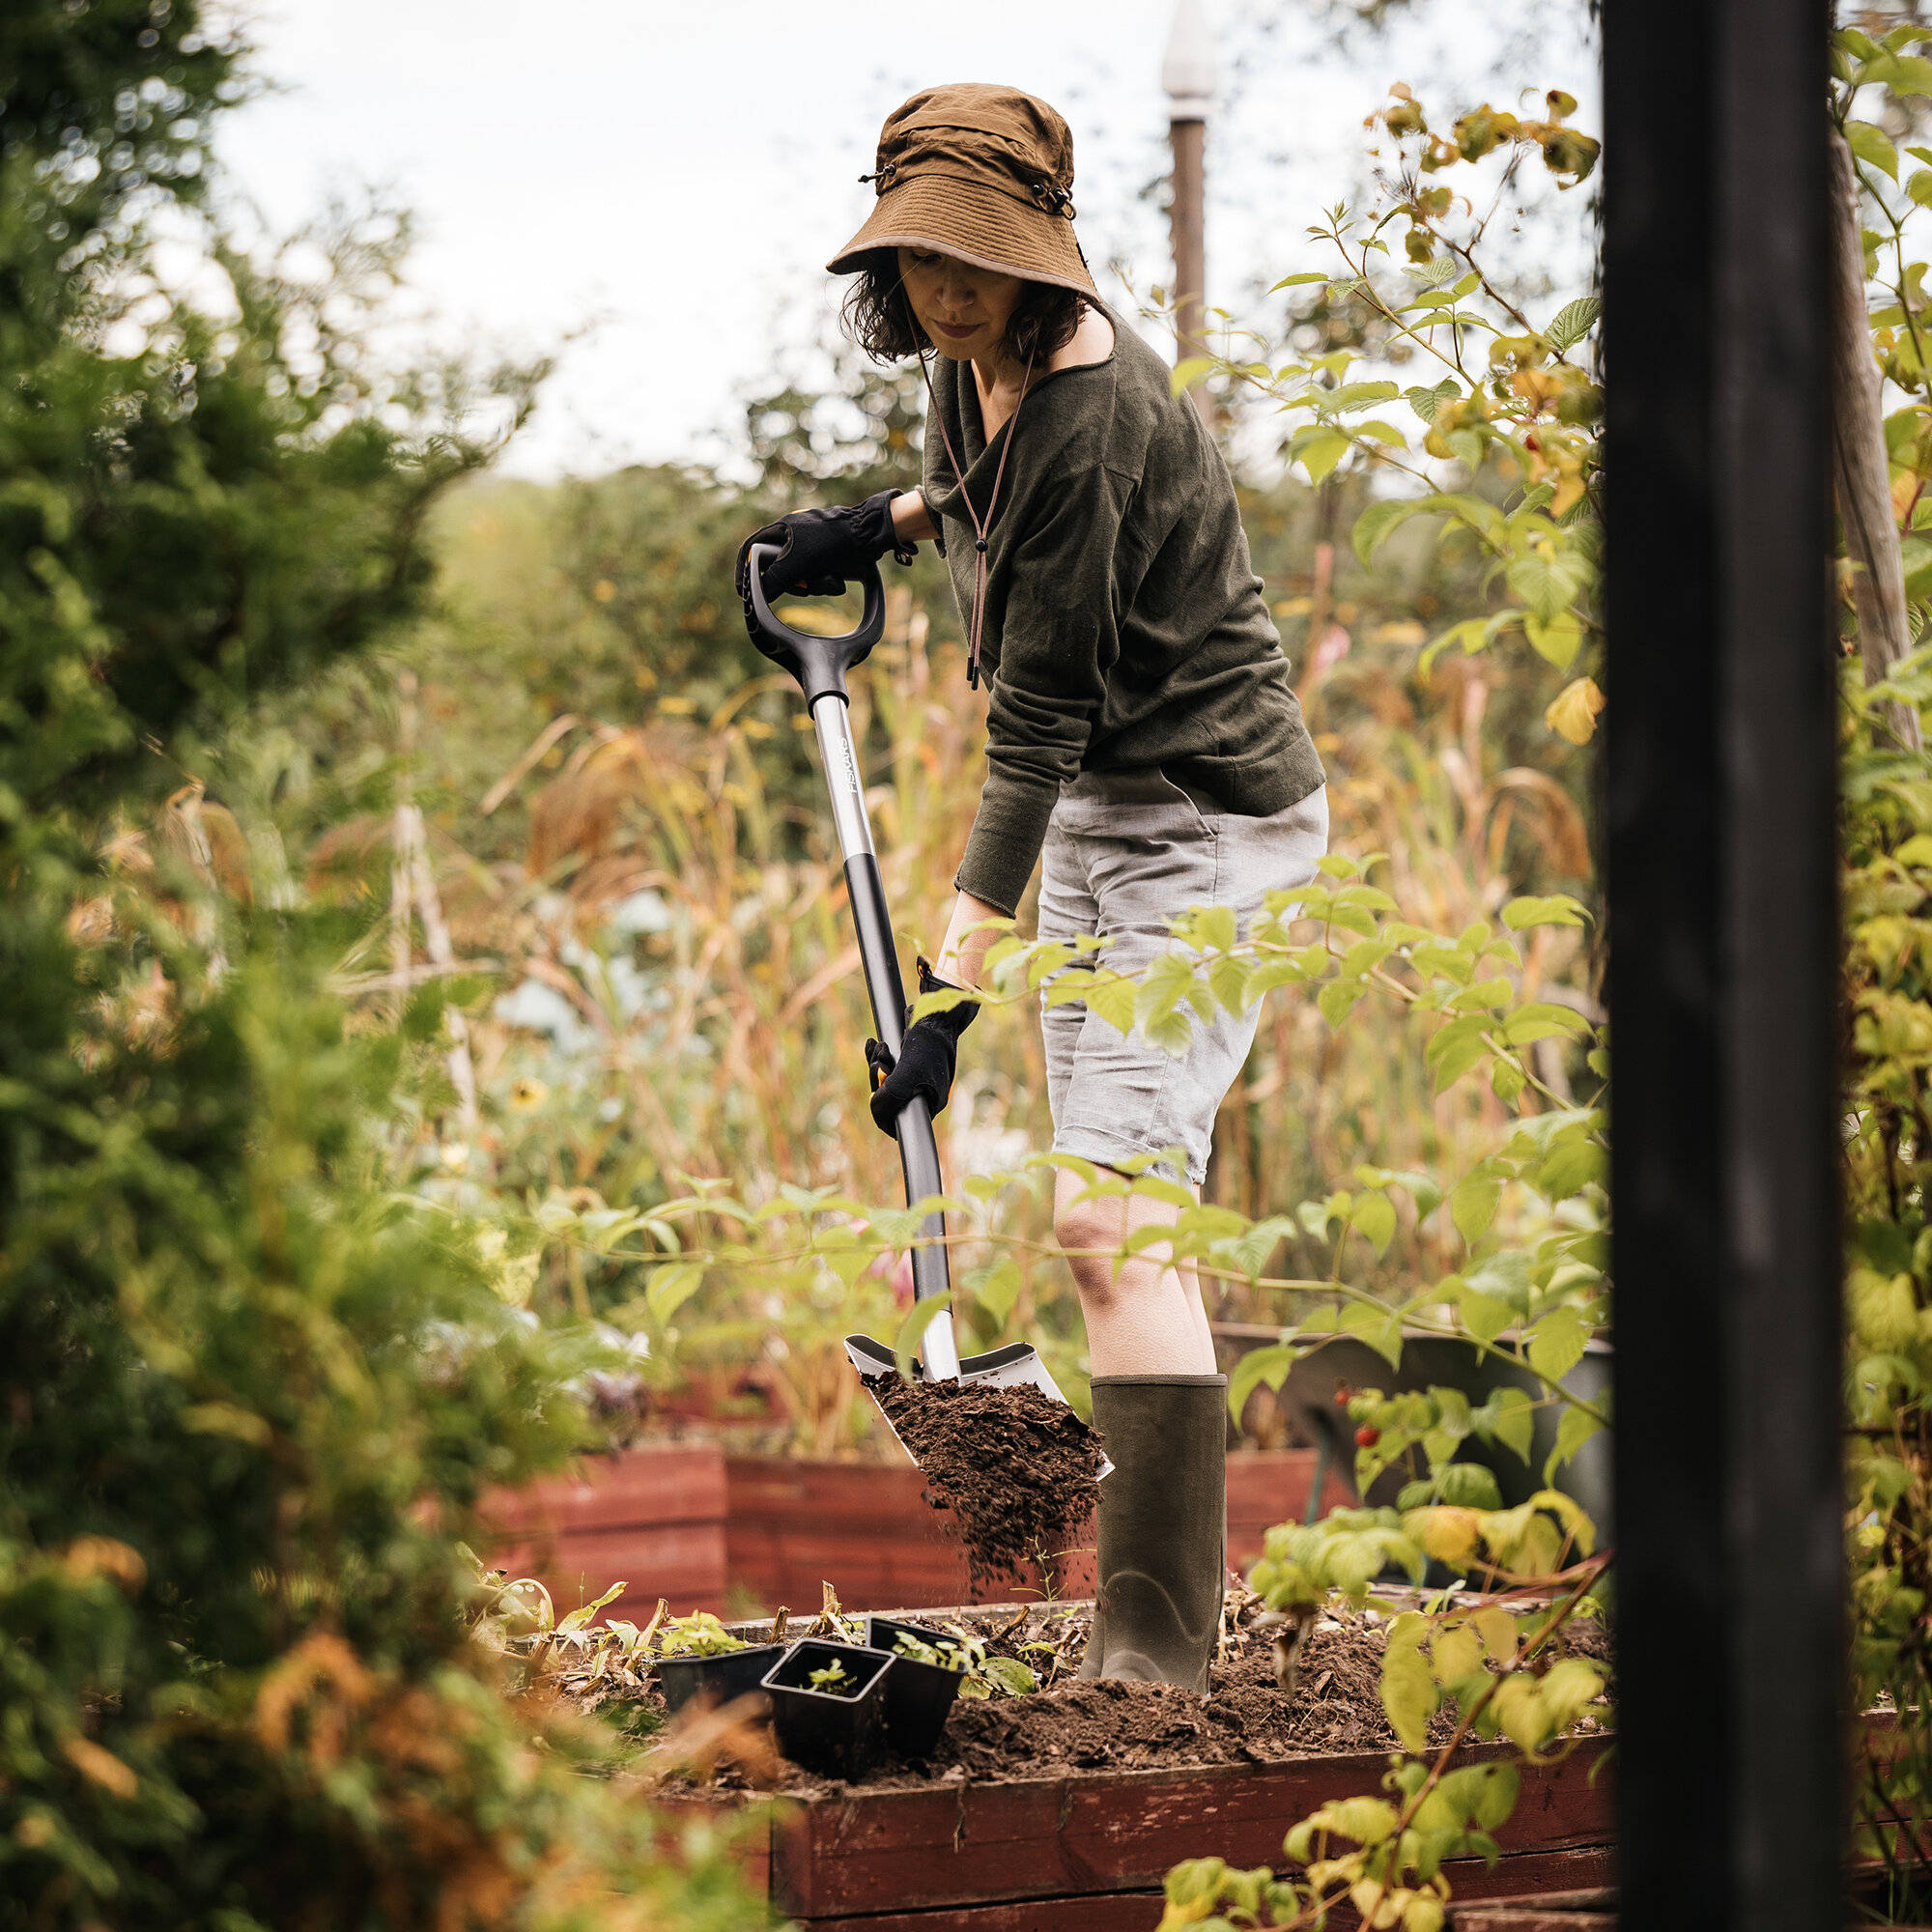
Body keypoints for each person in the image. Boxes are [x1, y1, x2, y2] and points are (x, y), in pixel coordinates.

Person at [735, 83, 1327, 1693]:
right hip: (1105, 814)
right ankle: (1162, 1630)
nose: (947, 289)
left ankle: (1156, 1663)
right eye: (921, 257)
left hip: (1200, 820)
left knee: (1106, 1218)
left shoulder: (1093, 410)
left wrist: (944, 1003)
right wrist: (882, 522)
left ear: (1039, 251)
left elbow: (1034, 743)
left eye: (975, 259)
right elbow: (985, 488)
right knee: (1125, 1214)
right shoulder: (971, 359)